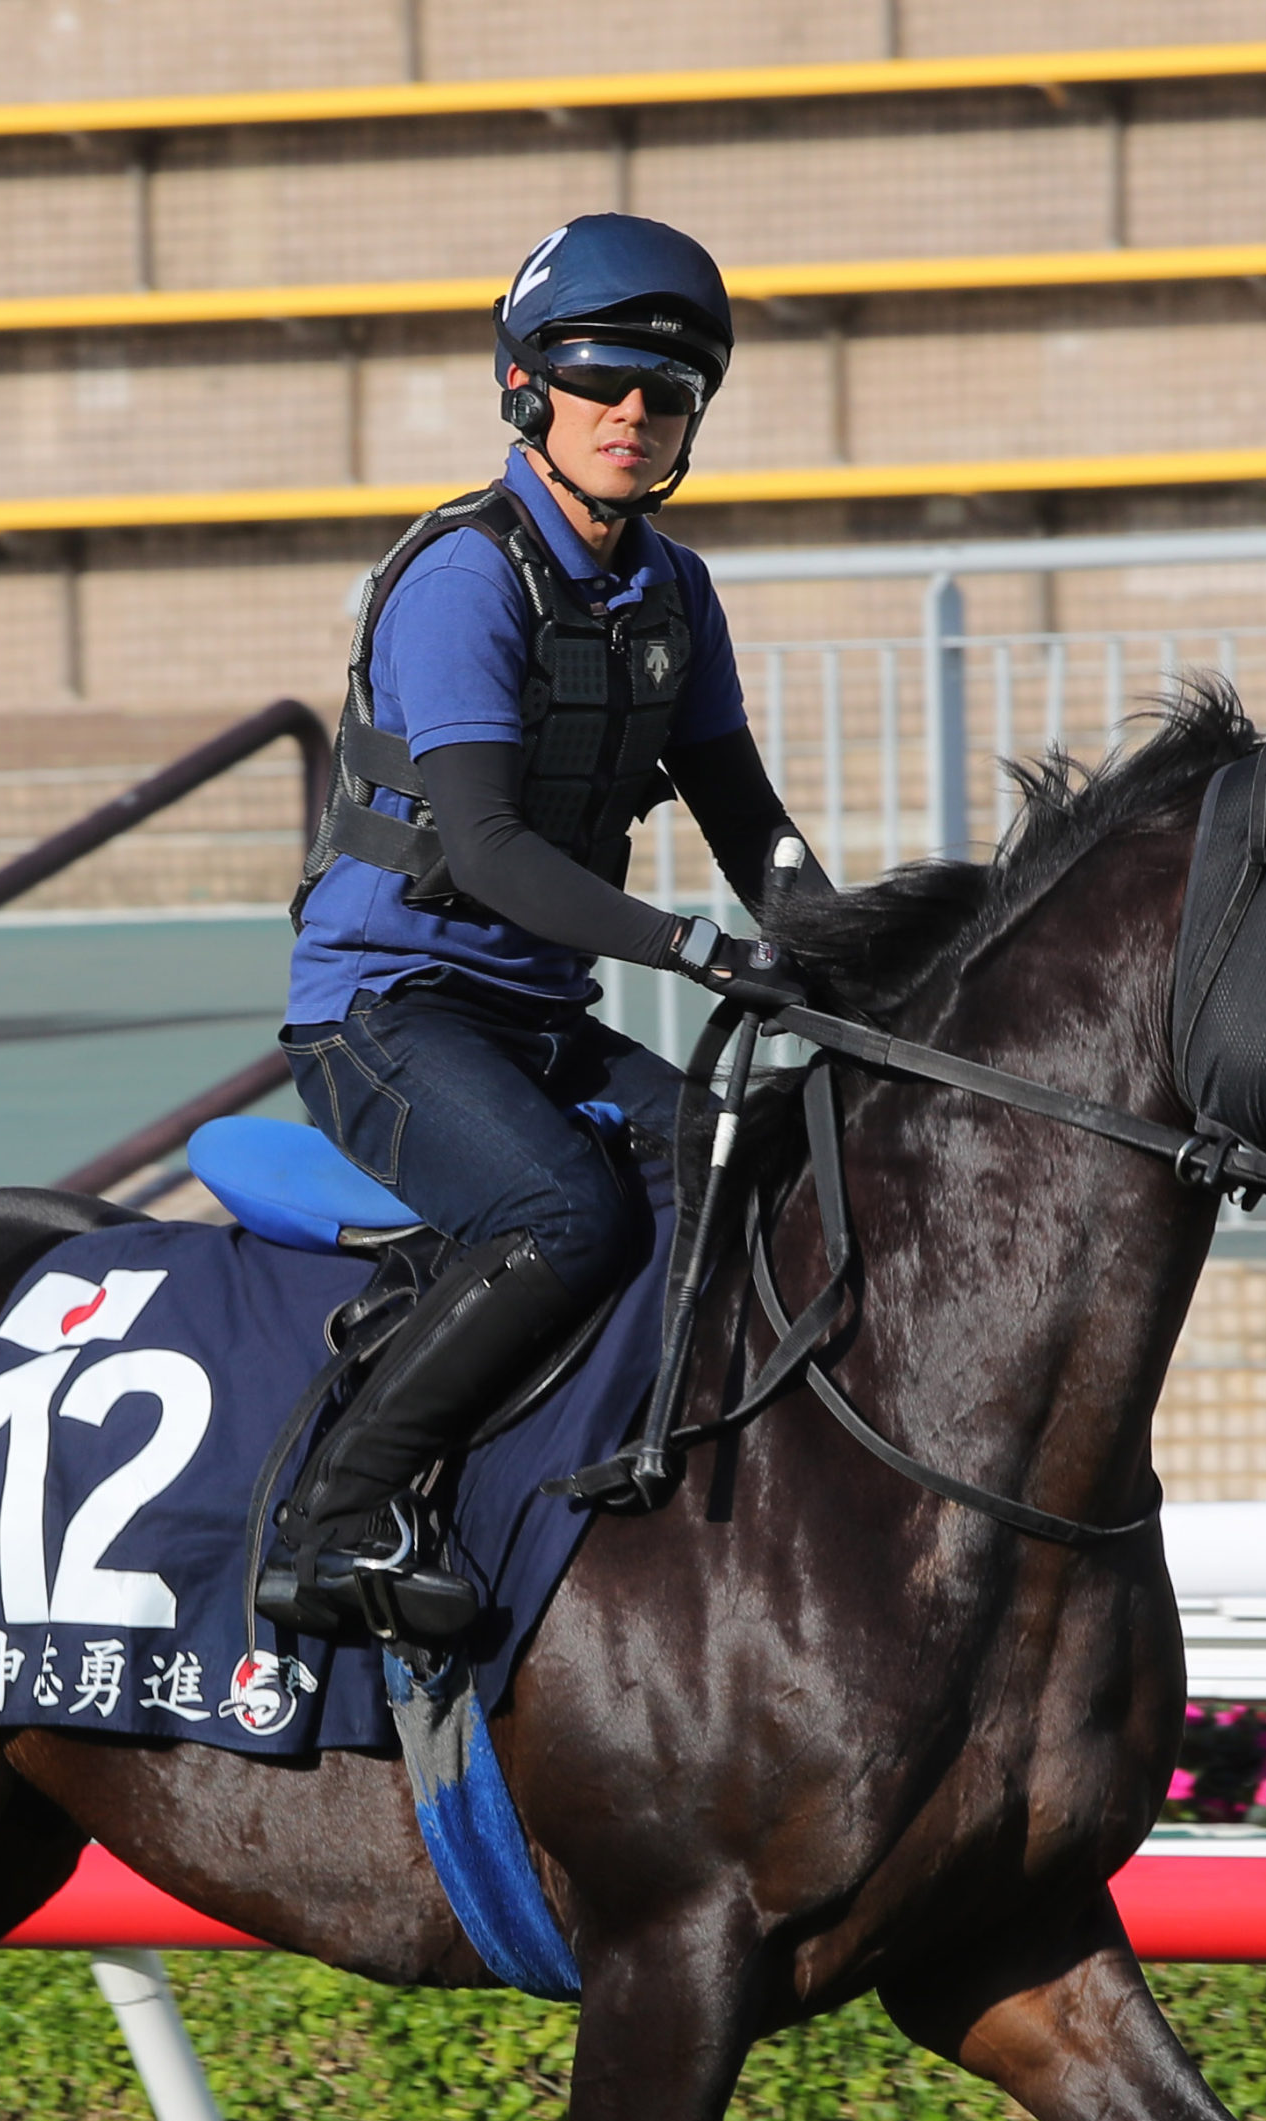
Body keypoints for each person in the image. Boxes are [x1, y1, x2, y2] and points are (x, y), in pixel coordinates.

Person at [259, 213, 832, 1640]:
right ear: (527, 388)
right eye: (598, 379)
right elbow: (487, 849)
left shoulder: (672, 589)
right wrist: (696, 952)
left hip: (528, 1023)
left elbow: (745, 815)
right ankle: (335, 1523)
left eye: (668, 391)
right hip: (385, 1015)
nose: (631, 414)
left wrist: (850, 953)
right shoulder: (463, 577)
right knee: (560, 1215)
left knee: (743, 1169)